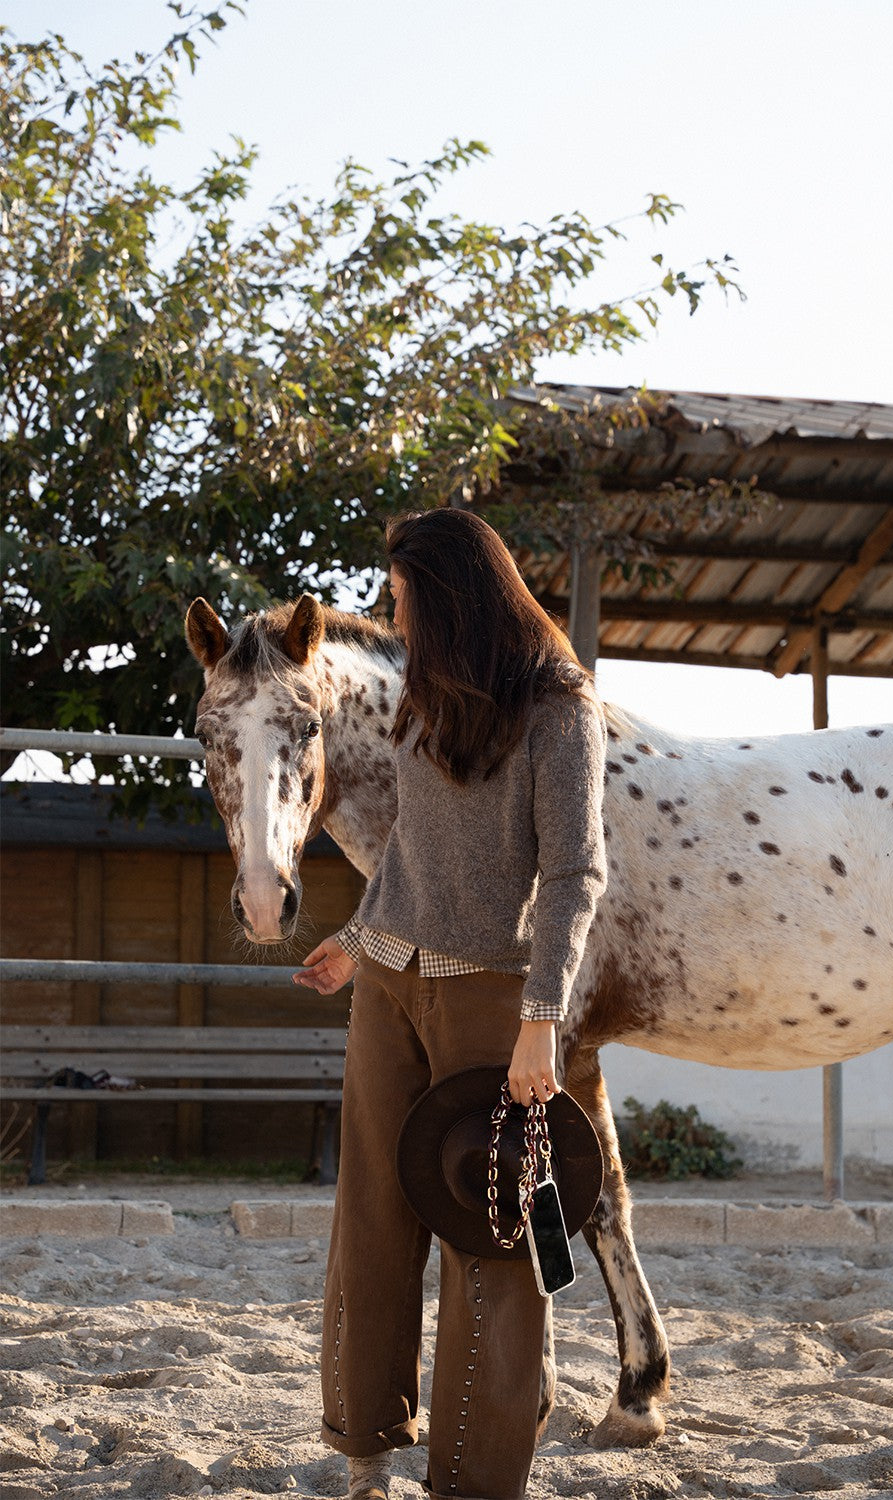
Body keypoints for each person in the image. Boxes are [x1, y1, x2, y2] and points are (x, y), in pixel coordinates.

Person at [293, 508, 607, 1500]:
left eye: (401, 597)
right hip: (389, 988)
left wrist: (542, 1022)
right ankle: (366, 1448)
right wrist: (355, 939)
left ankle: (478, 1475)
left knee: (507, 1234)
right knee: (374, 1214)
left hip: (497, 1002)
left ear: (451, 594)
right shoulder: (421, 702)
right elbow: (411, 859)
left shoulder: (561, 706)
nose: (392, 614)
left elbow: (573, 878)